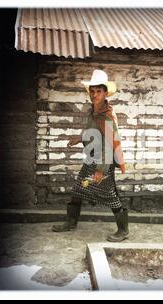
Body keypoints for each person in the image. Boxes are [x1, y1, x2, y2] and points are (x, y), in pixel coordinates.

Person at [52, 69, 129, 242]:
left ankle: (123, 230)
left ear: (105, 92)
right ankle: (71, 222)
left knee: (109, 195)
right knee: (79, 188)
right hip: (91, 159)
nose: (94, 95)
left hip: (104, 161)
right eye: (92, 91)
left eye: (98, 91)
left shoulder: (107, 116)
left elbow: (109, 144)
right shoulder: (93, 112)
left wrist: (102, 169)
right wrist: (80, 138)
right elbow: (93, 134)